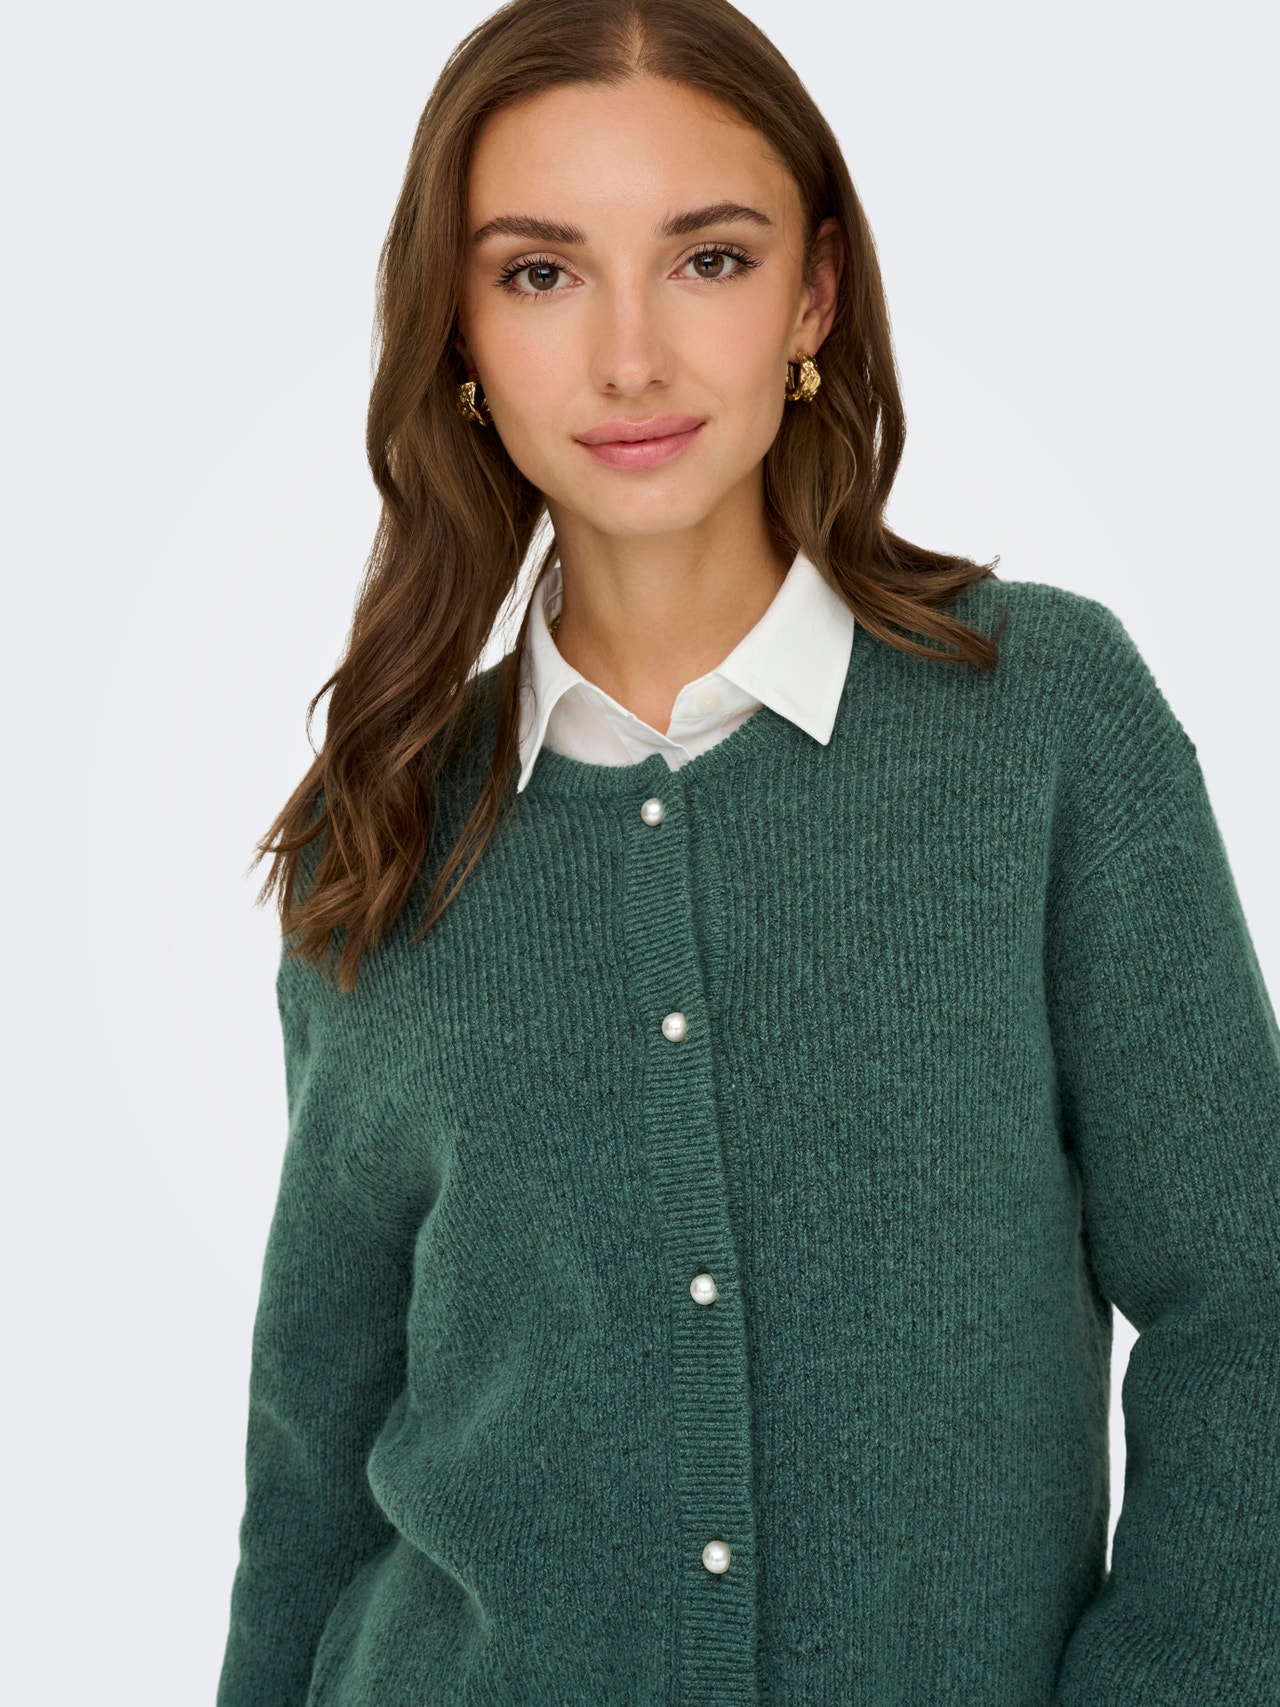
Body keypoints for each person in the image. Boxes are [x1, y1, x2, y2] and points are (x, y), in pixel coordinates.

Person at [216, 1, 1280, 1702]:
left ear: (815, 294)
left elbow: (1248, 1299)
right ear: (459, 333)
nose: (629, 357)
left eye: (707, 259)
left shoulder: (1046, 721)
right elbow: (313, 1458)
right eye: (541, 274)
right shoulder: (387, 822)